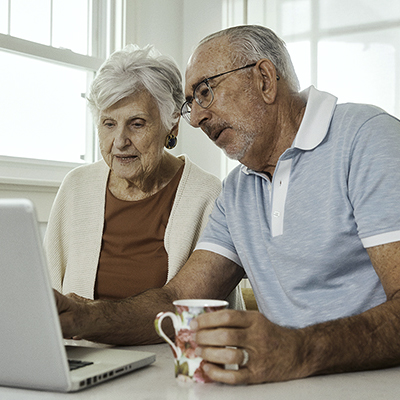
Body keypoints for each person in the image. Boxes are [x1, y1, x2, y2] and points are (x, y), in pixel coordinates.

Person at [55, 25, 400, 386]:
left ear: (264, 79)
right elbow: (177, 301)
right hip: (281, 386)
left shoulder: (368, 139)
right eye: (191, 103)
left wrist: (298, 350)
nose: (195, 118)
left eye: (206, 91)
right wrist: (84, 317)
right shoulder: (238, 190)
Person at [45, 44, 244, 345]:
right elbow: (45, 294)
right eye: (108, 123)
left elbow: (198, 314)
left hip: (169, 362)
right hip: (82, 359)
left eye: (136, 124)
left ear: (172, 122)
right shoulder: (76, 188)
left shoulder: (208, 195)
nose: (120, 141)